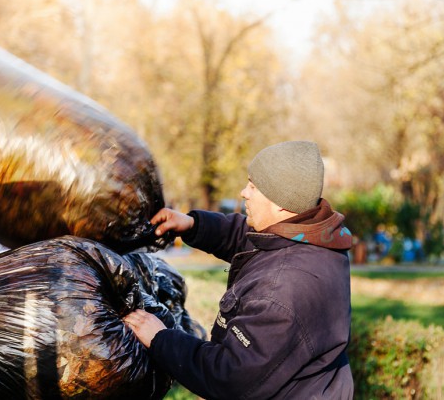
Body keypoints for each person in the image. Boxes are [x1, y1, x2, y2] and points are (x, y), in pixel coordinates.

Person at [123, 141, 354, 399]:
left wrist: (160, 338)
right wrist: (192, 224)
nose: (244, 192)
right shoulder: (310, 237)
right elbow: (246, 236)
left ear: (281, 202)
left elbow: (228, 377)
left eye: (254, 187)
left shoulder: (281, 291)